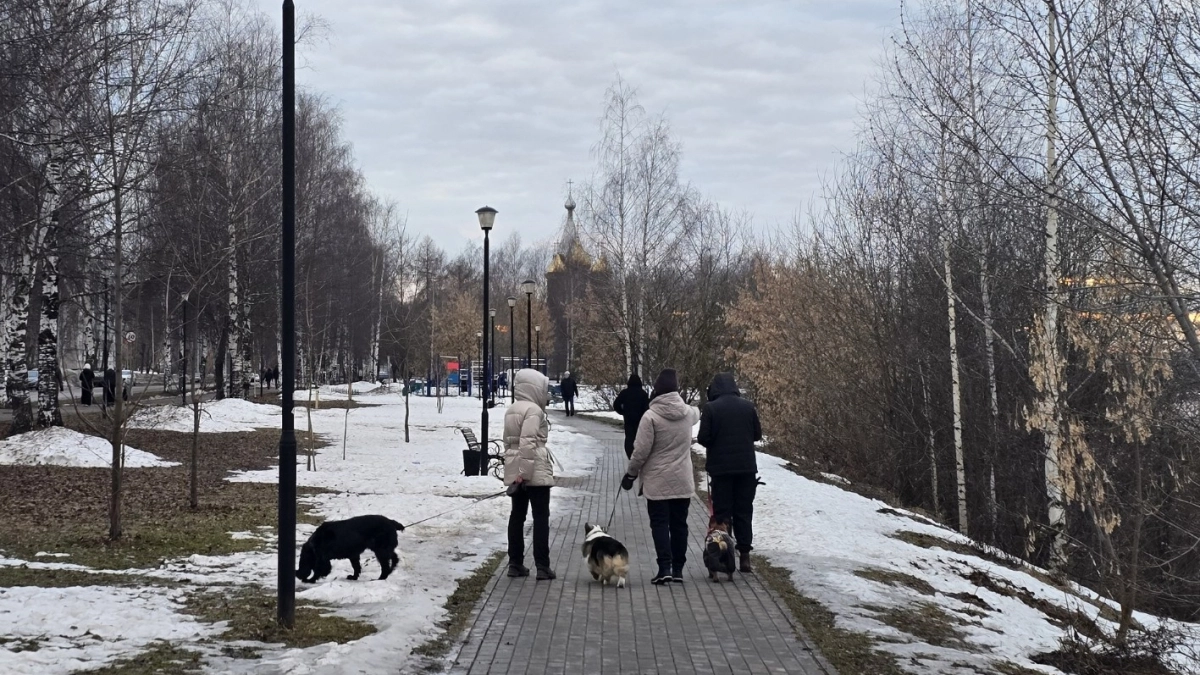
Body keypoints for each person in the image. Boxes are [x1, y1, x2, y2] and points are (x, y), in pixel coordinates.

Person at [623, 368, 700, 584]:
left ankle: (664, 567)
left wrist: (630, 474)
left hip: (657, 482)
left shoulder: (650, 416)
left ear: (656, 390)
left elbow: (640, 451)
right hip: (682, 480)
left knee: (659, 524)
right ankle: (678, 569)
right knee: (679, 525)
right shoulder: (687, 413)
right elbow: (697, 412)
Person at [698, 373, 763, 574]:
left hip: (721, 470)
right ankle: (745, 557)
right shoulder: (748, 407)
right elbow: (757, 435)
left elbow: (703, 438)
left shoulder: (711, 408)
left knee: (722, 513)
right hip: (746, 469)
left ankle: (725, 556)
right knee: (744, 511)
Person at [503, 368, 557, 581]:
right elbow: (528, 442)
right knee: (541, 517)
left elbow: (508, 441)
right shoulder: (534, 410)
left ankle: (515, 563)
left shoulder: (512, 409)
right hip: (533, 470)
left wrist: (515, 469)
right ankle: (542, 566)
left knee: (517, 516)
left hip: (516, 466)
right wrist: (524, 474)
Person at [612, 374, 649, 458]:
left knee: (629, 437)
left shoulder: (625, 393)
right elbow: (647, 407)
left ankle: (630, 454)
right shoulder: (643, 393)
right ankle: (638, 454)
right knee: (639, 437)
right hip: (640, 420)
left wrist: (622, 412)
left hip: (628, 419)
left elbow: (616, 405)